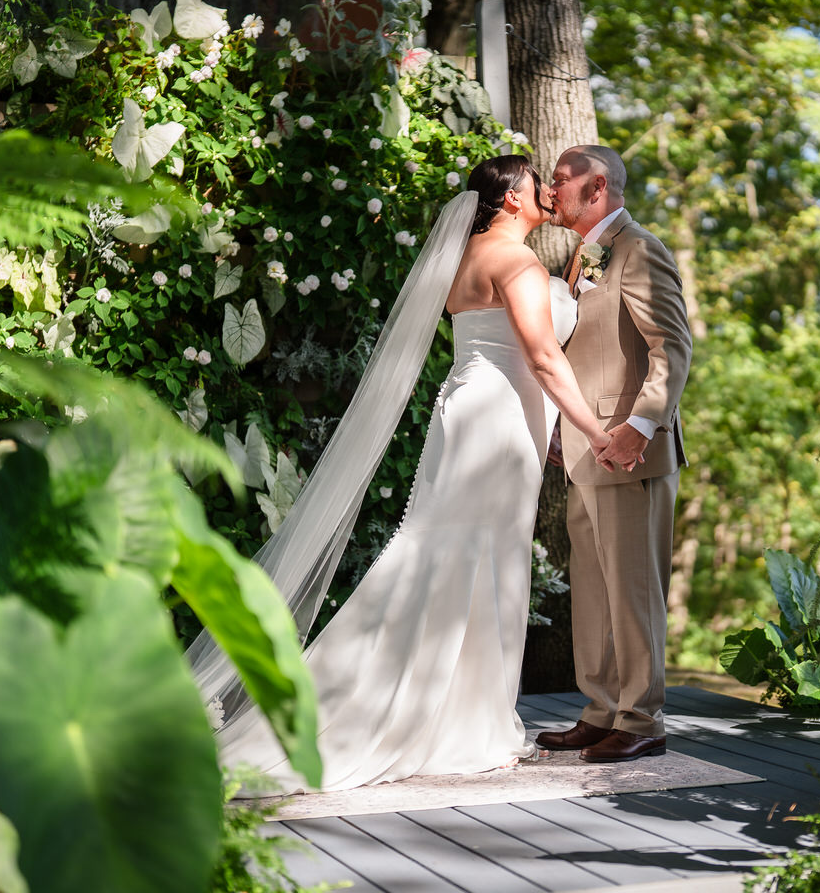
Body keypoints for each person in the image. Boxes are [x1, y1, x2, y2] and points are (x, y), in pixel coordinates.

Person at [189, 154, 614, 792]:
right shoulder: (517, 262)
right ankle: (467, 723)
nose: (547, 193)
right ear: (510, 199)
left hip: (470, 406)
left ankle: (455, 715)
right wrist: (594, 432)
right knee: (488, 562)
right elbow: (544, 359)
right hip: (499, 419)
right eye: (536, 183)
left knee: (452, 556)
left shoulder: (467, 258)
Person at [536, 145, 691, 764]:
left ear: (597, 186)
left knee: (633, 592)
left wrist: (641, 426)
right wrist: (561, 427)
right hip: (584, 451)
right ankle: (601, 710)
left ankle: (643, 719)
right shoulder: (583, 255)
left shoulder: (640, 249)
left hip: (630, 452)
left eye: (560, 179)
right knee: (594, 592)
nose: (551, 190)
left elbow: (671, 347)